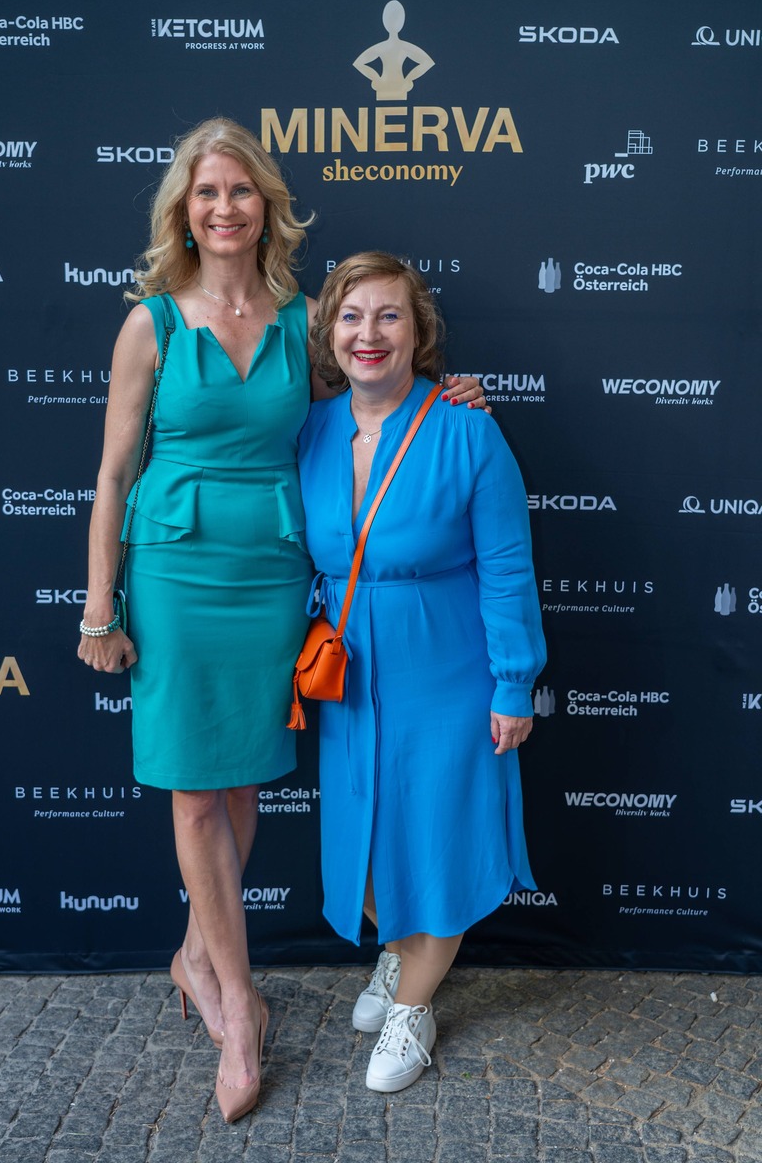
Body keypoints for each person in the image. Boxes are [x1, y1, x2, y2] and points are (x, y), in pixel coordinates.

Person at [76, 119, 485, 1122]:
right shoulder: (149, 325)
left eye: (241, 191)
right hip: (174, 573)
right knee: (192, 791)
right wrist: (99, 605)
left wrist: (449, 398)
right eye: (206, 192)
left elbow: (372, 397)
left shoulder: (304, 321)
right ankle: (236, 1005)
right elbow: (114, 473)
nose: (224, 208)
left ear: (266, 207)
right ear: (184, 211)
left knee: (243, 781)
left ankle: (193, 954)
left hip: (270, 571)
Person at [297, 252, 546, 1093]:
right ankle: (401, 958)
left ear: (419, 330)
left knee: (436, 842)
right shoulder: (312, 430)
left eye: (389, 315)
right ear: (331, 334)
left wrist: (513, 682)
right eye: (351, 316)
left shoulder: (467, 429)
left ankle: (414, 1005)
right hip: (351, 678)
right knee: (367, 849)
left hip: (447, 673)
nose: (368, 333)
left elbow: (507, 567)